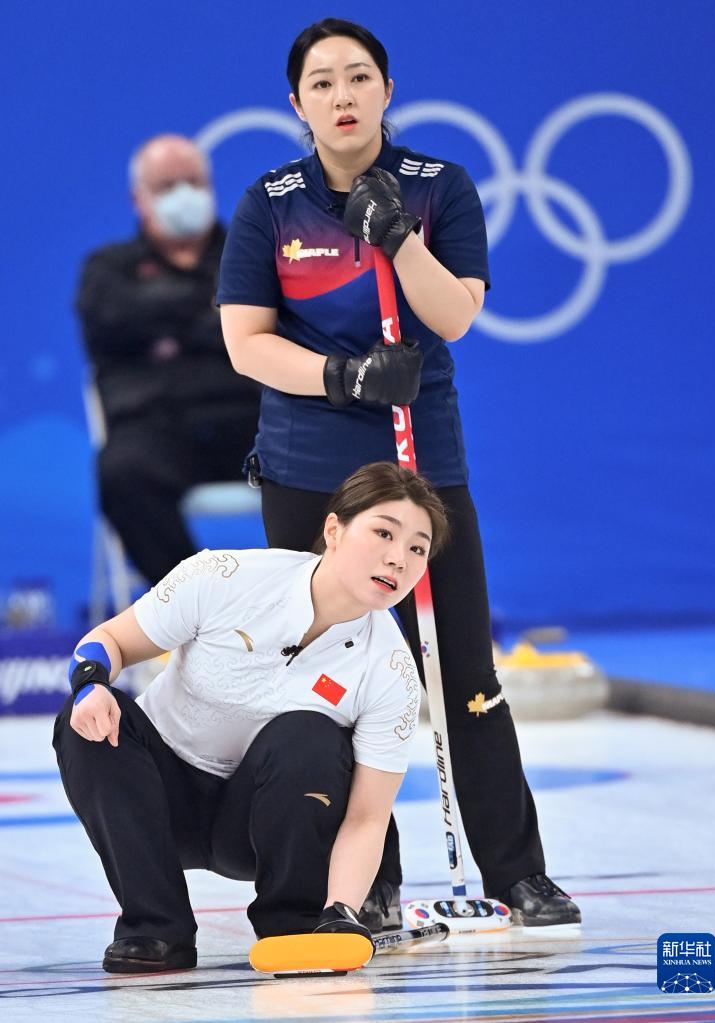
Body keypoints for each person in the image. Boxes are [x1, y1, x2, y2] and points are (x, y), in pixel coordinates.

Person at [217, 18, 581, 929]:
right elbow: (245, 343)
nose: (342, 96)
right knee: (334, 673)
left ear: (386, 91)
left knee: (460, 665)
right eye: (322, 83)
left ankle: (517, 869)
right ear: (296, 102)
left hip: (421, 465)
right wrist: (341, 375)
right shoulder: (271, 202)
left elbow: (454, 317)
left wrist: (399, 240)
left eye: (359, 78)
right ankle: (364, 876)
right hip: (310, 466)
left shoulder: (437, 187)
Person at [53, 462, 448, 973]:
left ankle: (296, 923)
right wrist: (90, 686)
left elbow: (367, 817)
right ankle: (156, 931)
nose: (398, 559)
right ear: (333, 530)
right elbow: (106, 642)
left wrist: (341, 911)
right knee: (83, 719)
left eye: (418, 548)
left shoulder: (392, 668)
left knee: (309, 734)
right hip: (159, 801)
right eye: (383, 533)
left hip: (261, 825)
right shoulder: (224, 577)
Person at [76, 133, 261, 586]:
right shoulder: (107, 268)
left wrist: (166, 324)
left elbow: (281, 326)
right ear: (138, 199)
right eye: (166, 185)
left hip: (255, 423)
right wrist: (209, 312)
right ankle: (193, 605)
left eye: (193, 181)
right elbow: (114, 320)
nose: (183, 194)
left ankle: (311, 607)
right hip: (158, 431)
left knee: (335, 449)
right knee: (120, 473)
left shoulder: (251, 255)